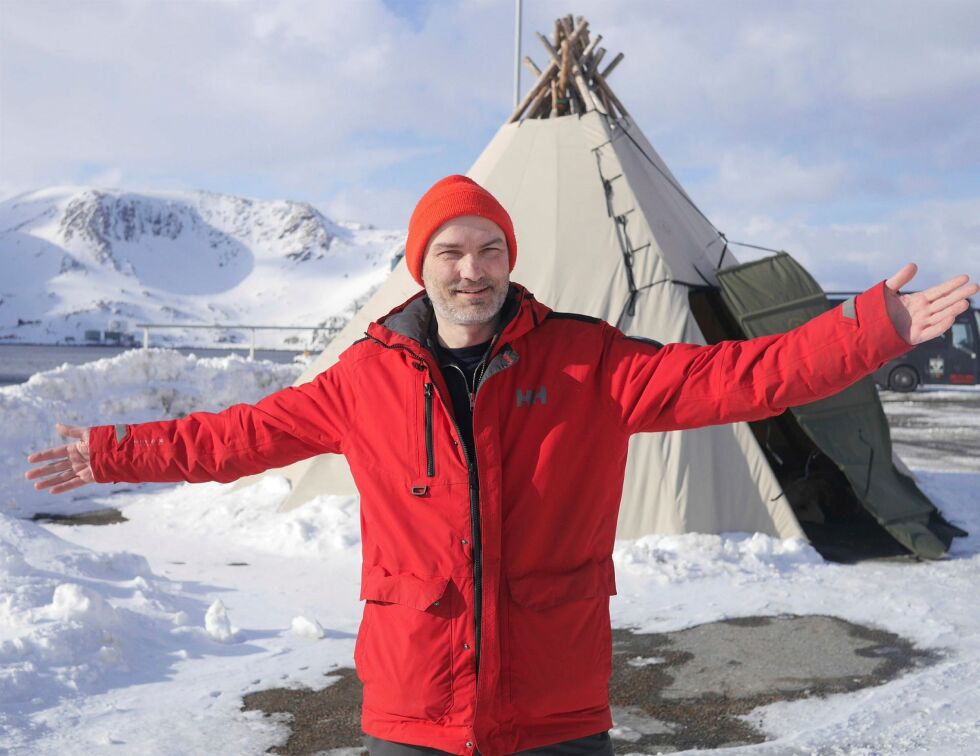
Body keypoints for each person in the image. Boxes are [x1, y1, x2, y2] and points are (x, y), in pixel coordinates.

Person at [25, 175, 977, 756]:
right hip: (412, 705)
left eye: (488, 249)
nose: (470, 268)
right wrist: (113, 449)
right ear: (420, 265)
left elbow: (739, 376)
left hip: (556, 705)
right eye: (450, 251)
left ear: (509, 260)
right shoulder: (365, 379)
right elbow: (232, 439)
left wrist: (867, 332)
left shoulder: (587, 361)